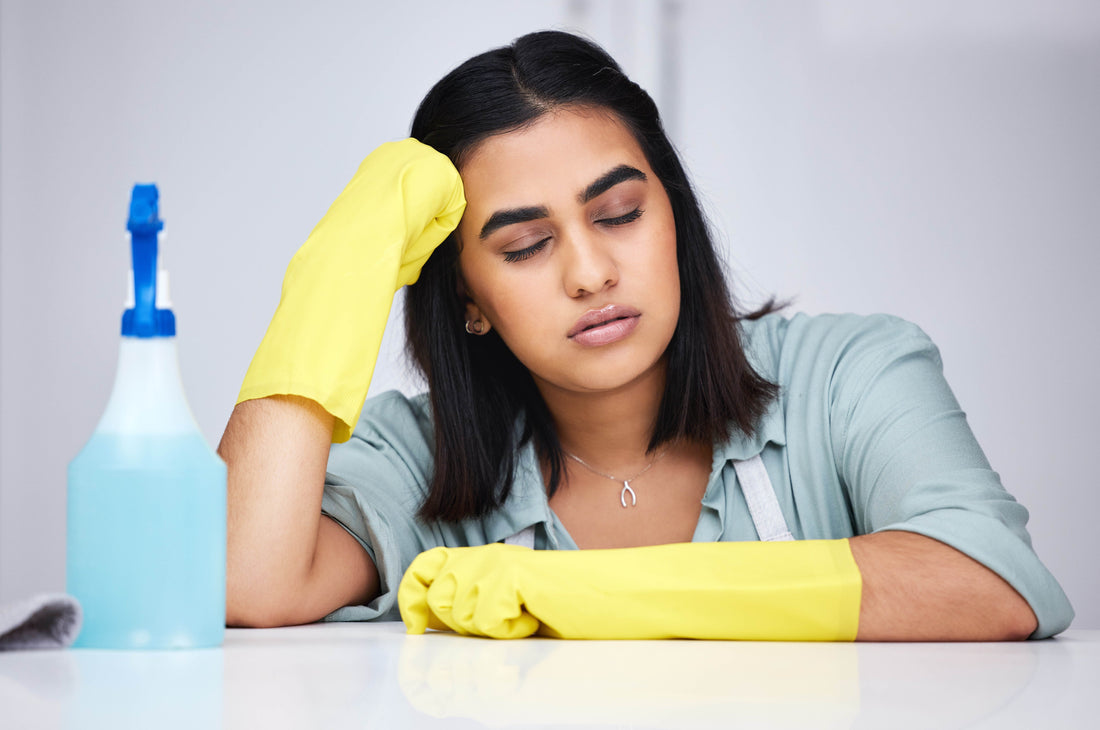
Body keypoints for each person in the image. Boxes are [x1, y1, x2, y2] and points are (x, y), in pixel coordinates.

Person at [218, 30, 1073, 640]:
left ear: (675, 217)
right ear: (468, 295)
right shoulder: (420, 455)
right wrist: (337, 268)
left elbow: (992, 580)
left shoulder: (850, 373)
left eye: (620, 213)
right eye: (525, 245)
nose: (590, 273)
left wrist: (578, 593)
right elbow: (244, 581)